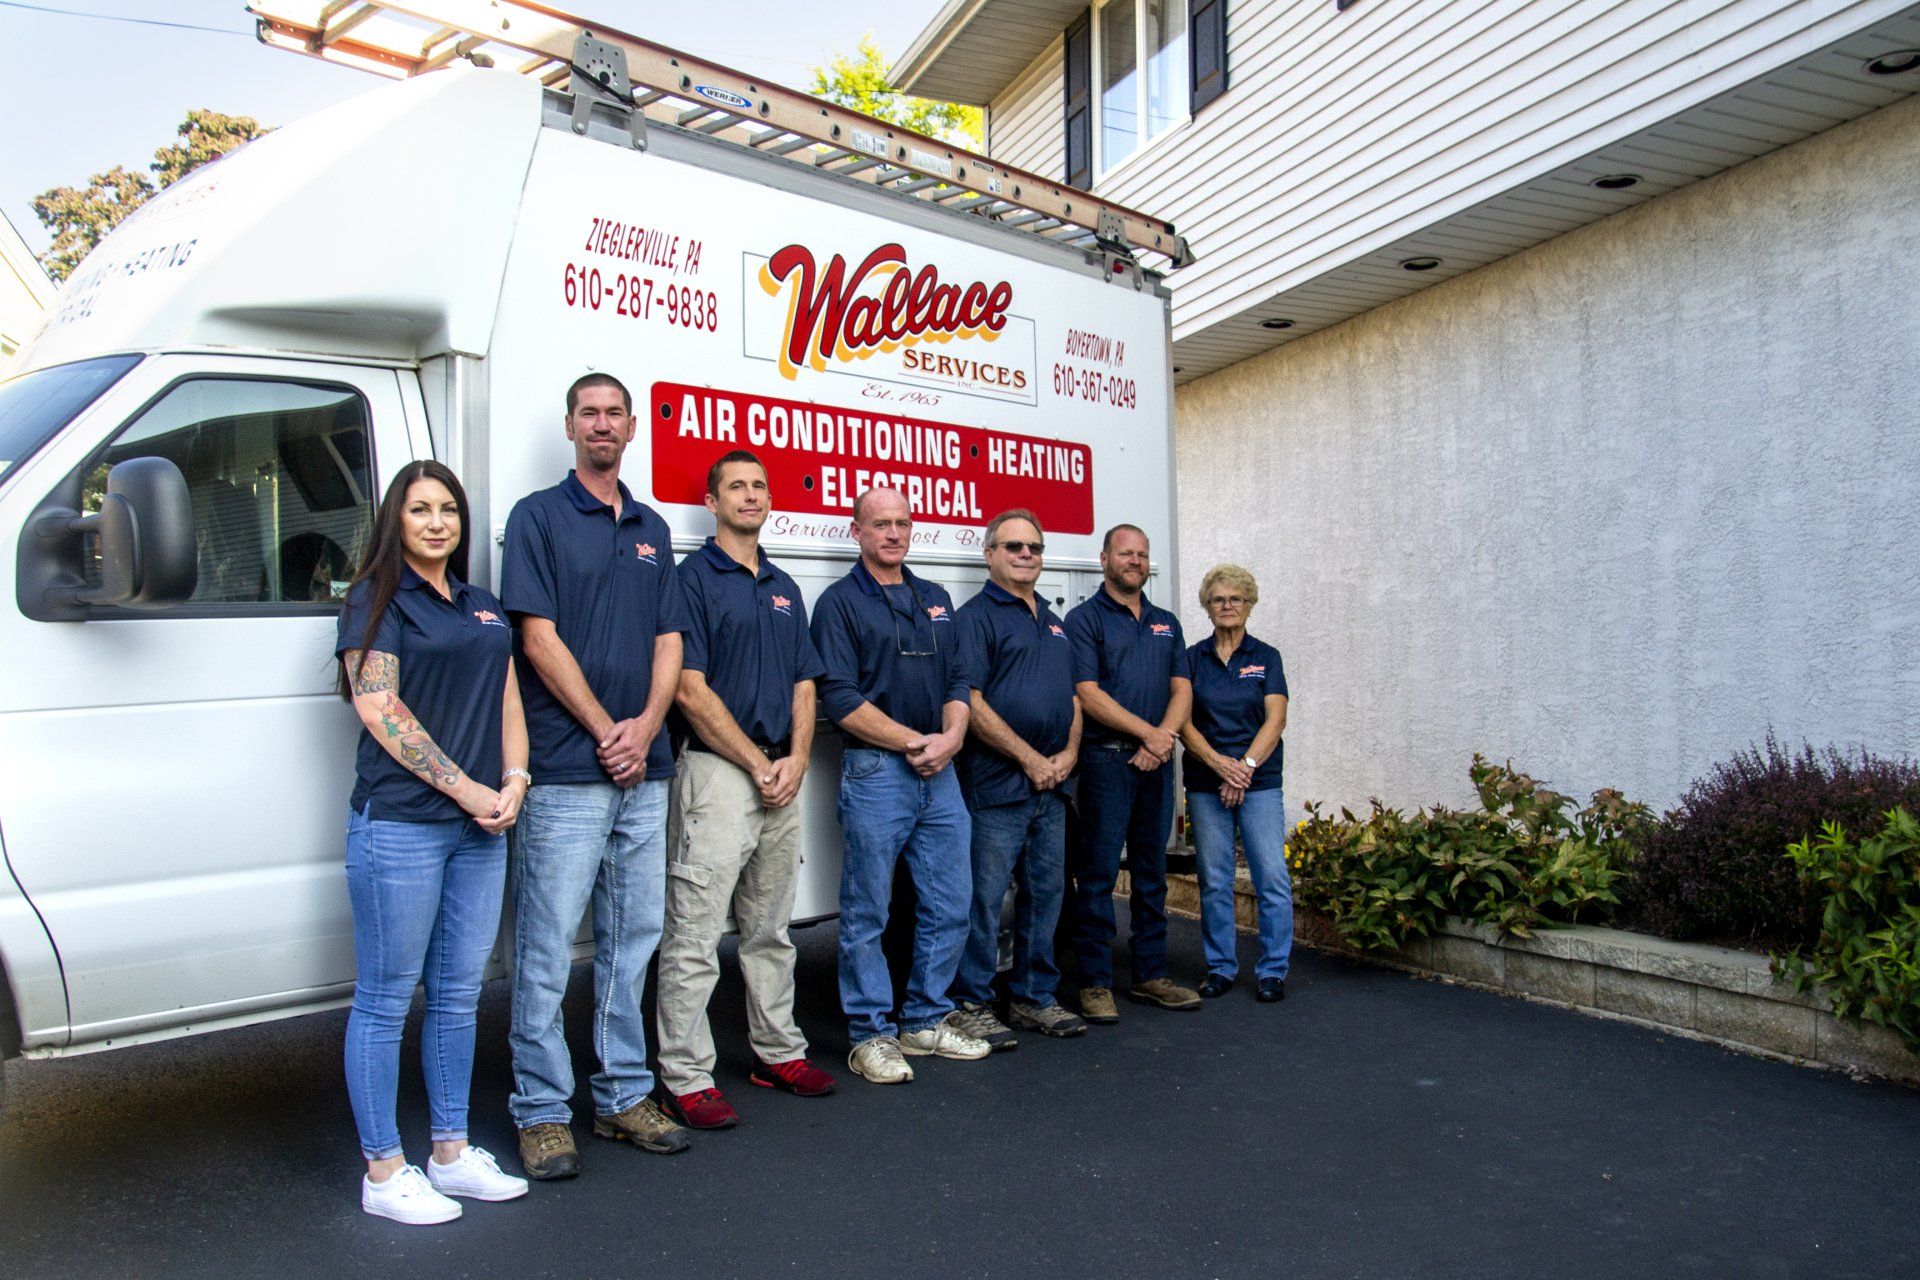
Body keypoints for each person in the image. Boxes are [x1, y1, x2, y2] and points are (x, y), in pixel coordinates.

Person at [500, 373, 691, 1179]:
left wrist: (646, 727)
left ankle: (620, 1095)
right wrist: (605, 731)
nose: (602, 424)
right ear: (570, 425)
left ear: (632, 427)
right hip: (570, 773)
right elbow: (536, 639)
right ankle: (542, 1111)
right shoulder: (538, 517)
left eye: (615, 413)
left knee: (631, 941)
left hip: (644, 773)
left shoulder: (651, 528)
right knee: (545, 948)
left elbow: (670, 640)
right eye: (589, 412)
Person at [335, 460, 531, 1224]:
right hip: (402, 827)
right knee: (385, 999)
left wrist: (515, 778)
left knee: (457, 994)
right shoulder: (377, 601)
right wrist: (469, 788)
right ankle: (384, 1171)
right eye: (420, 509)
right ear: (397, 519)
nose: (438, 522)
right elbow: (379, 707)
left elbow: (509, 691)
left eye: (449, 509)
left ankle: (449, 1154)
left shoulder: (482, 607)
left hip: (480, 827)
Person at [655, 450, 838, 1128]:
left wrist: (794, 758)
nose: (751, 495)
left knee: (771, 930)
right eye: (736, 486)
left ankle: (777, 1052)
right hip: (717, 774)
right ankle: (684, 1074)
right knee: (695, 935)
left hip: (780, 774)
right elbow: (687, 687)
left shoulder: (784, 585)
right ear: (712, 501)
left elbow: (804, 683)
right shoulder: (691, 580)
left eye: (759, 486)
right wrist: (756, 764)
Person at [811, 487, 989, 1083]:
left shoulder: (934, 598)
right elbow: (838, 697)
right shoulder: (839, 604)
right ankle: (869, 1034)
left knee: (949, 901)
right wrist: (915, 742)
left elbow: (960, 681)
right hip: (877, 772)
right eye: (880, 523)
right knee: (868, 909)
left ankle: (924, 1019)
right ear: (856, 530)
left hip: (940, 773)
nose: (893, 533)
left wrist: (952, 737)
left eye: (903, 523)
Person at [949, 510, 1087, 1047]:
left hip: (1053, 787)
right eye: (1012, 547)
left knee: (1046, 893)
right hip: (998, 787)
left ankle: (1033, 997)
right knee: (983, 899)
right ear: (989, 555)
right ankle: (974, 1001)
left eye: (1033, 547)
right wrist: (1031, 758)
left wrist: (1070, 753)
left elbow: (1073, 697)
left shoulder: (1053, 620)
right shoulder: (975, 618)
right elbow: (971, 702)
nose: (1025, 555)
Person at [1063, 524, 1199, 1021]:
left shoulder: (1166, 622)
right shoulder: (1084, 619)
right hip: (1106, 763)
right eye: (1126, 554)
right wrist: (1151, 735)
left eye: (1142, 555)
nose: (1135, 562)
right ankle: (1096, 982)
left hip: (1155, 764)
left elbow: (1181, 688)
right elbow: (1088, 693)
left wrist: (1160, 740)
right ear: (1104, 559)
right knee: (1097, 874)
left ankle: (1151, 974)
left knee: (1151, 873)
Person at [1179, 565, 1293, 1002]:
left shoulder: (1267, 657)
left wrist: (1242, 767)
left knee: (1272, 876)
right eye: (1219, 599)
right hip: (1207, 781)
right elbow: (1183, 720)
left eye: (1236, 599)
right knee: (1214, 877)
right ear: (1207, 607)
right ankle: (1221, 967)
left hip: (1258, 780)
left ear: (1249, 605)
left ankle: (1273, 971)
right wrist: (1218, 765)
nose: (1227, 605)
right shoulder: (1190, 658)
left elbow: (1276, 719)